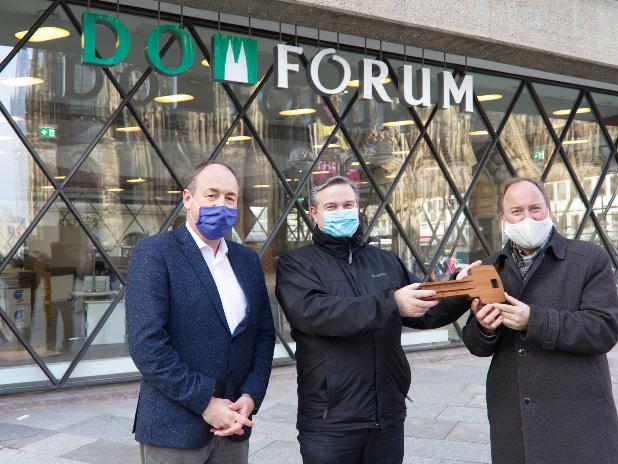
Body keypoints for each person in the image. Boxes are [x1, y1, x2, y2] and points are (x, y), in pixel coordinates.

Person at [275, 175, 471, 464]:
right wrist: (391, 303)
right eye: (332, 206)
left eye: (348, 204)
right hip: (331, 421)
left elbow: (427, 308)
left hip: (387, 415)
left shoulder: (385, 261)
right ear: (314, 214)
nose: (342, 211)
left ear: (358, 209)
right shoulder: (297, 264)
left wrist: (461, 287)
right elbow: (315, 314)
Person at [460, 177, 618, 464]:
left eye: (535, 208)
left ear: (549, 209)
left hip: (578, 417)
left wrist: (532, 320)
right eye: (517, 211)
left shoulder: (588, 259)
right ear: (503, 218)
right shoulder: (489, 268)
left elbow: (603, 330)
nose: (527, 217)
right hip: (515, 419)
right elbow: (476, 344)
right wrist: (484, 328)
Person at [126, 161, 275, 464]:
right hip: (173, 433)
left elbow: (263, 335)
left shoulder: (247, 262)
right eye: (211, 195)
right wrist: (205, 404)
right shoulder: (156, 253)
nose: (222, 204)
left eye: (230, 197)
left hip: (234, 427)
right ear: (187, 199)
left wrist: (250, 397)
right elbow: (147, 346)